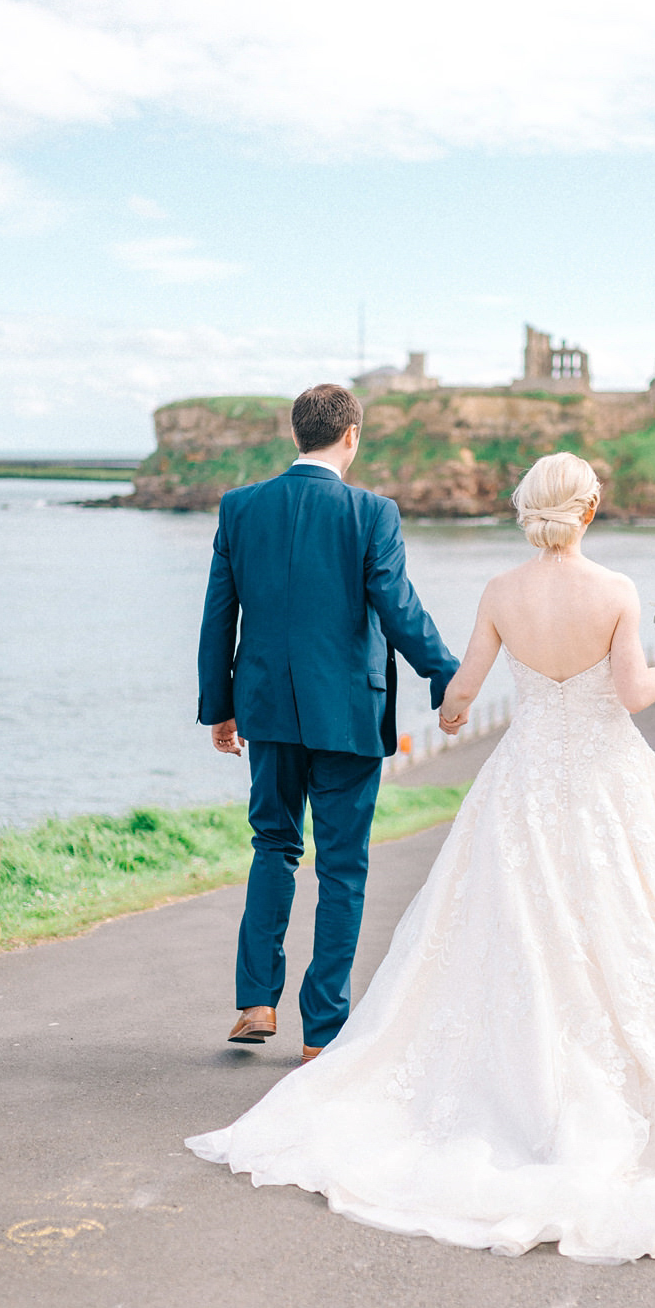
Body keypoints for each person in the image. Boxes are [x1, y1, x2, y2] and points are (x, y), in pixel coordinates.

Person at [188, 452, 655, 1278]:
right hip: (610, 783)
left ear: (526, 510)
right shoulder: (614, 592)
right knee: (641, 919)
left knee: (497, 925)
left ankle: (417, 1057)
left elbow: (463, 691)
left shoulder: (502, 592)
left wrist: (454, 703)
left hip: (525, 782)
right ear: (589, 509)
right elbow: (636, 695)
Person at [196, 381, 458, 1063]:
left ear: (295, 436)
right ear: (352, 436)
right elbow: (398, 607)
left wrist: (218, 707)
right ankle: (323, 1033)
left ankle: (256, 1002)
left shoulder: (240, 508)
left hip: (267, 712)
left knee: (273, 846)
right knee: (342, 869)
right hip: (348, 712)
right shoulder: (373, 514)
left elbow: (219, 616)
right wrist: (446, 675)